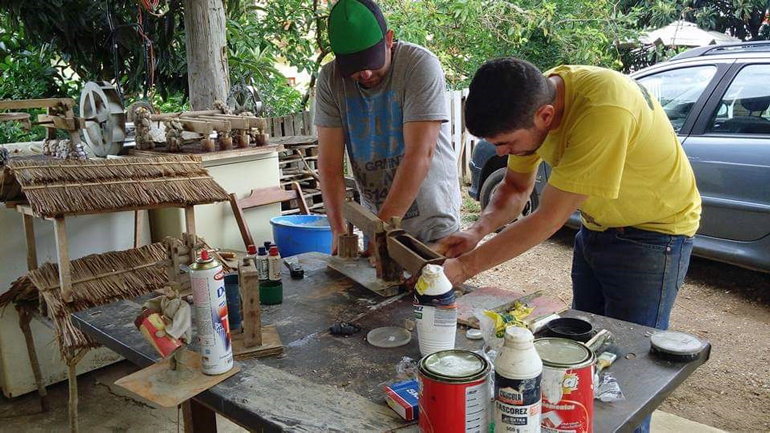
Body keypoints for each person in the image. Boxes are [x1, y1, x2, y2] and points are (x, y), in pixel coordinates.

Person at [439, 59, 701, 431]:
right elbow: (514, 188)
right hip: (597, 228)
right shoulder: (532, 102)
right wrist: (476, 231)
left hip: (655, 236)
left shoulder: (603, 110)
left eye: (506, 143)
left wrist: (465, 267)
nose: (500, 153)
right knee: (581, 356)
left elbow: (548, 218)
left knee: (627, 371)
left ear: (546, 116)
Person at [314, 0, 461, 252]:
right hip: (376, 220)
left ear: (389, 39)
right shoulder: (330, 80)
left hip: (432, 226)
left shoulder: (419, 65)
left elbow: (419, 154)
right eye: (354, 67)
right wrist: (339, 231)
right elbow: (329, 165)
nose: (365, 74)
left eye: (371, 61)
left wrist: (381, 233)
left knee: (434, 278)